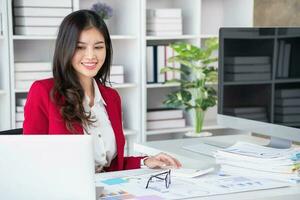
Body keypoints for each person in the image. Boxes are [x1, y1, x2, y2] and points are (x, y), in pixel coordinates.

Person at [23, 10, 181, 172]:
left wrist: (146, 161)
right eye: (80, 47)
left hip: (108, 190)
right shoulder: (43, 92)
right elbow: (32, 160)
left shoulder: (111, 97)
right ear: (66, 49)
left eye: (98, 47)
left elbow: (110, 165)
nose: (91, 56)